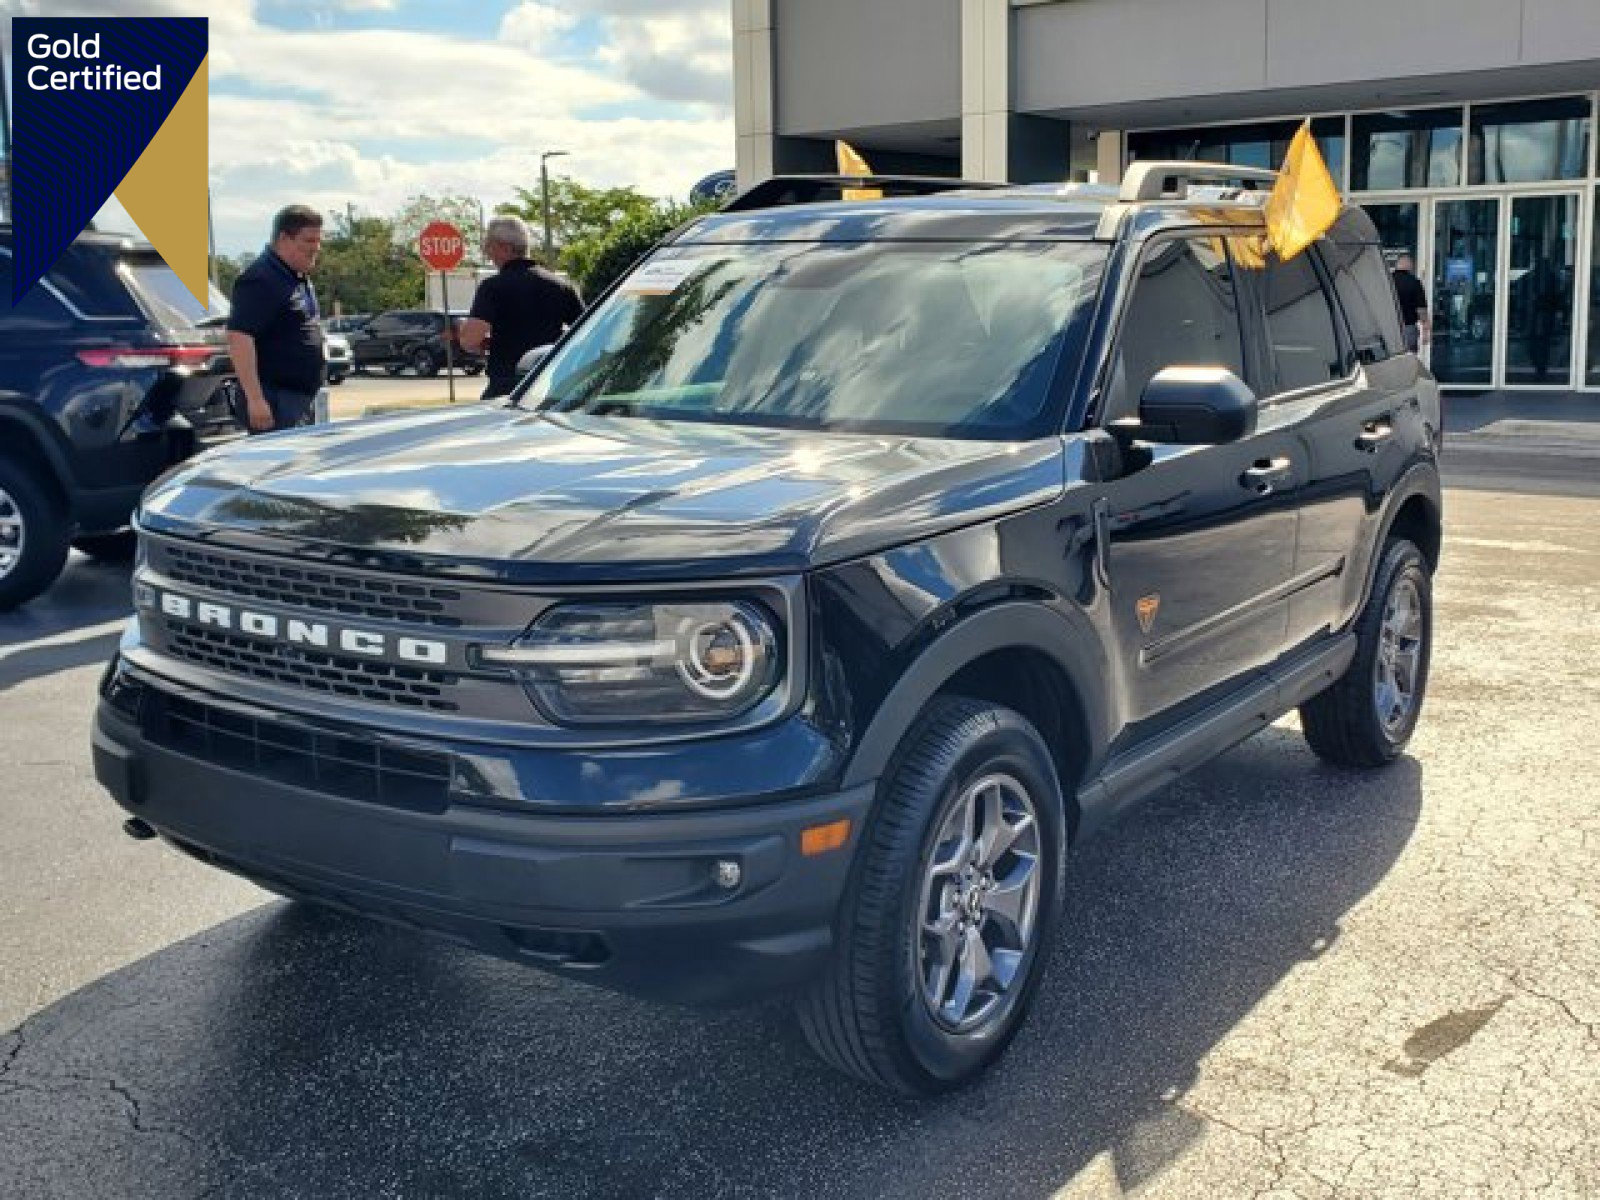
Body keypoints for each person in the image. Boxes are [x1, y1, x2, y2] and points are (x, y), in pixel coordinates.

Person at [459, 215, 583, 400]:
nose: (487, 252)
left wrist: (466, 333)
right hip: (550, 386)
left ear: (505, 247)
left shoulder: (492, 287)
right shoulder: (560, 286)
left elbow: (470, 340)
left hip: (507, 387)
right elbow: (586, 331)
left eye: (489, 246)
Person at [227, 205, 326, 434]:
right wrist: (255, 399)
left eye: (318, 241)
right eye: (309, 241)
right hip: (275, 401)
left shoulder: (295, 277)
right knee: (281, 467)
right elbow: (239, 338)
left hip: (298, 399)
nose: (316, 248)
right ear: (284, 238)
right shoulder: (261, 278)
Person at [1391, 252, 1431, 355]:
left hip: (1389, 329)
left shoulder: (1388, 281)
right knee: (1410, 360)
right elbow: (1421, 309)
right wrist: (1426, 331)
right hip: (1408, 328)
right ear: (1409, 265)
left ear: (1397, 265)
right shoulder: (1414, 282)